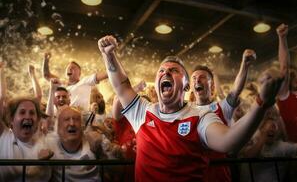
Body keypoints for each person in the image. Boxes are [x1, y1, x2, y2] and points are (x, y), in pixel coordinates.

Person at [97, 35, 283, 182]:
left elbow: (228, 141)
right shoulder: (142, 112)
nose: (166, 72)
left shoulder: (201, 116)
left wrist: (261, 103)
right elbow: (121, 85)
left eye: (175, 70)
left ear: (187, 86)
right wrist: (109, 55)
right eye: (161, 70)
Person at [190, 49, 256, 182]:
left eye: (202, 77)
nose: (197, 80)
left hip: (219, 175)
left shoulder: (222, 107)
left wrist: (245, 64)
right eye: (194, 78)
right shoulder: (185, 110)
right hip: (193, 175)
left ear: (212, 85)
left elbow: (235, 90)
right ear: (191, 85)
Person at [45, 106, 101, 181]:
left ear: (82, 127)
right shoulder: (48, 144)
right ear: (58, 128)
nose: (72, 123)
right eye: (66, 119)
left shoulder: (93, 140)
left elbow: (116, 172)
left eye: (76, 119)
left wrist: (101, 151)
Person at [42, 52, 108, 112]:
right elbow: (46, 75)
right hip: (58, 119)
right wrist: (46, 60)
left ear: (79, 73)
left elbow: (104, 75)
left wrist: (109, 58)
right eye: (68, 68)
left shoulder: (85, 81)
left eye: (73, 68)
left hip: (78, 118)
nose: (70, 69)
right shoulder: (60, 83)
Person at [275, 24, 297, 142]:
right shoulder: (285, 96)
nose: (296, 79)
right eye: (292, 77)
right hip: (293, 153)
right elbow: (284, 67)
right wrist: (282, 38)